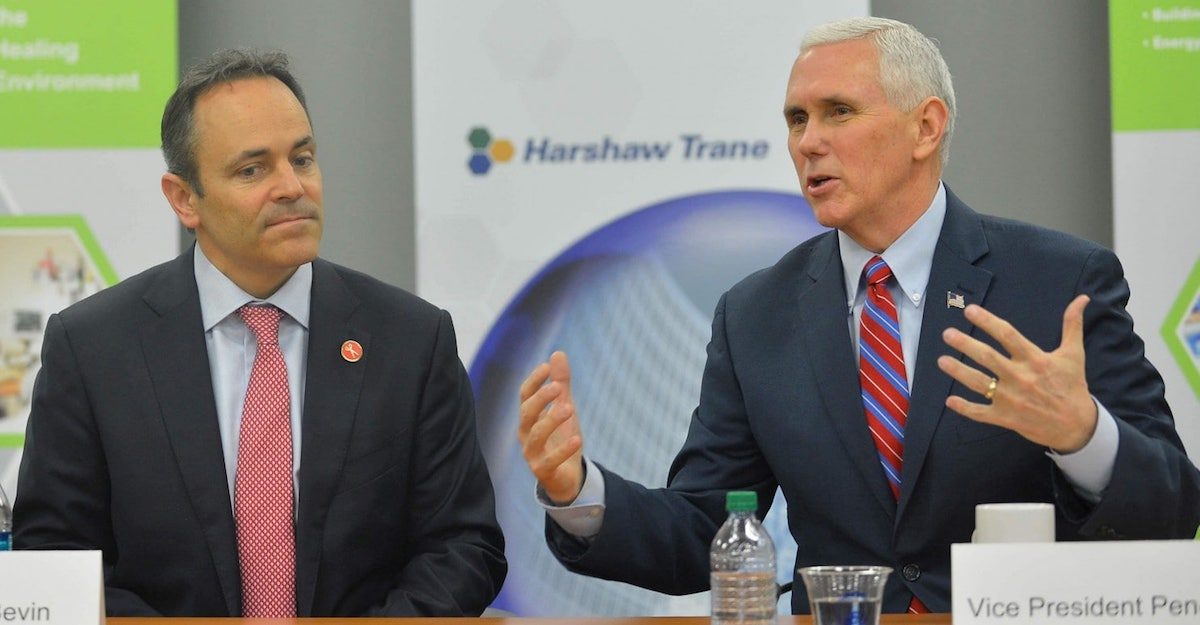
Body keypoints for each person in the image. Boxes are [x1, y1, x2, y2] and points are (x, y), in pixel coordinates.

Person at [517, 17, 1200, 614]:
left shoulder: (1055, 282)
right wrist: (576, 488)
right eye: (796, 119)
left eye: (838, 111)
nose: (808, 141)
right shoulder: (756, 314)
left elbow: (1174, 509)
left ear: (925, 127)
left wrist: (1083, 436)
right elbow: (706, 531)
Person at [14, 49, 506, 617]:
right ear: (184, 198)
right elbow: (56, 557)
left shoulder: (411, 340)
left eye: (302, 158)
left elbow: (462, 546)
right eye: (253, 170)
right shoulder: (93, 349)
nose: (291, 186)